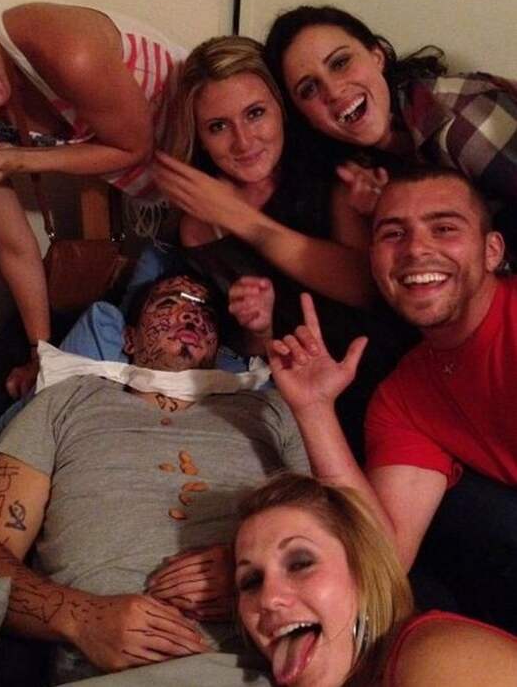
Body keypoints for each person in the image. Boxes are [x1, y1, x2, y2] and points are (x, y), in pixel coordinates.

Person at [0, 272, 310, 686]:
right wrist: (82, 618)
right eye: (169, 302)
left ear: (218, 345)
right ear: (129, 339)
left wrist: (257, 571)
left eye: (204, 310)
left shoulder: (271, 410)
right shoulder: (66, 403)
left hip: (260, 667)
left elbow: (343, 531)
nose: (191, 314)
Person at [0, 0, 186, 397]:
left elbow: (134, 146)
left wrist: (21, 160)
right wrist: (41, 353)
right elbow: (14, 248)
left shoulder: (58, 45)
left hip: (227, 169)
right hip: (179, 199)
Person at [266, 167, 517, 630]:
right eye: (394, 234)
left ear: (492, 251)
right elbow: (386, 558)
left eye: (444, 228)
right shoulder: (402, 396)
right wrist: (314, 410)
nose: (416, 249)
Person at [154, 34, 385, 320]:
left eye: (255, 113)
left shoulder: (335, 173)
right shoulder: (198, 225)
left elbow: (368, 289)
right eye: (218, 126)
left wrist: (236, 216)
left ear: (281, 107)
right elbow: (248, 335)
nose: (243, 142)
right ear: (199, 137)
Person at [262, 4, 517, 260]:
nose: (334, 91)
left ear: (377, 57)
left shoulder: (459, 120)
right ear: (304, 116)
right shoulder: (353, 170)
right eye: (308, 89)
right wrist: (382, 212)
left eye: (340, 63)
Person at [234, 471, 517, 687]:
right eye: (251, 581)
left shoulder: (436, 657)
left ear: (363, 567)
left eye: (300, 564)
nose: (268, 599)